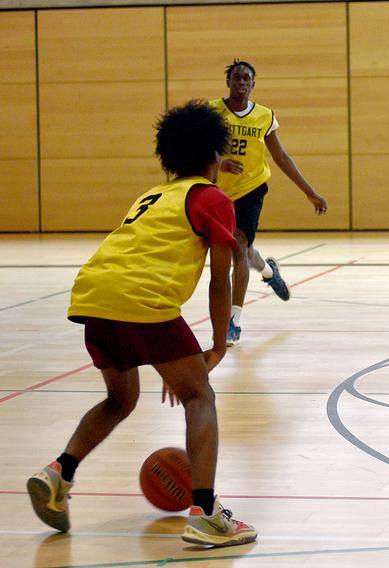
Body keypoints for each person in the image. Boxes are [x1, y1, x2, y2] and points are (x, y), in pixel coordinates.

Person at [26, 101, 257, 546]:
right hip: (142, 303)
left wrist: (175, 359)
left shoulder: (152, 195)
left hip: (93, 297)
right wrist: (216, 345)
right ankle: (206, 513)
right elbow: (219, 281)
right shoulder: (214, 199)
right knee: (198, 397)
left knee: (120, 399)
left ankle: (59, 473)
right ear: (215, 156)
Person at [210, 59, 328, 345]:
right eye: (236, 78)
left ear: (253, 84)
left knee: (238, 246)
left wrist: (309, 191)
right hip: (218, 192)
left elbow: (281, 157)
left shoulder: (264, 116)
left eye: (246, 79)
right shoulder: (212, 111)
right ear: (228, 82)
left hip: (251, 189)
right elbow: (196, 147)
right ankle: (268, 271)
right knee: (240, 253)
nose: (240, 82)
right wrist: (219, 163)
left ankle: (234, 322)